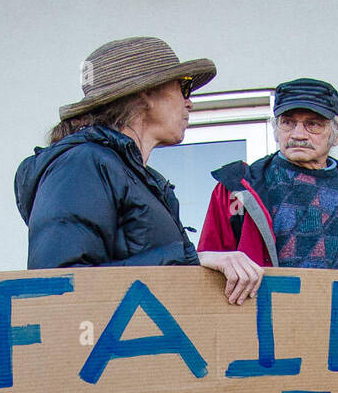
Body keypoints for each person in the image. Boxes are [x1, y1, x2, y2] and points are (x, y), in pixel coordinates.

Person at [14, 35, 262, 303]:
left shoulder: (140, 178)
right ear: (147, 94)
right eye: (184, 88)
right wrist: (192, 258)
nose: (189, 102)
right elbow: (57, 287)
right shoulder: (81, 164)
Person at [198, 77, 338, 275]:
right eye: (288, 122)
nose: (298, 134)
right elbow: (204, 275)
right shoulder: (235, 191)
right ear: (276, 128)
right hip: (263, 316)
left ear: (336, 134)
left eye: (313, 124)